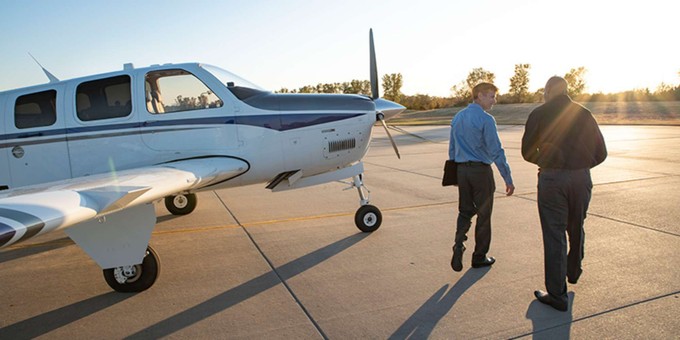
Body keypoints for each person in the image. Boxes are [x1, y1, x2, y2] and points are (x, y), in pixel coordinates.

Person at [521, 76, 607, 311]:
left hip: (552, 179)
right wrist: (581, 166)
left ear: (548, 91)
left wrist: (550, 161)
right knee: (576, 224)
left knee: (554, 233)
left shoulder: (538, 114)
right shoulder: (585, 114)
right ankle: (574, 269)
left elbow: (527, 151)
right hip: (581, 178)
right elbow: (602, 152)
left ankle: (558, 294)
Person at [449, 82, 515, 272]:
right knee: (484, 215)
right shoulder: (486, 120)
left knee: (464, 211)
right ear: (479, 95)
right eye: (491, 96)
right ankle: (479, 256)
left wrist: (455, 174)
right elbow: (496, 151)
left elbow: (452, 149)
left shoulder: (458, 117)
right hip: (480, 172)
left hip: (462, 171)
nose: (494, 100)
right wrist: (507, 177)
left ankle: (458, 244)